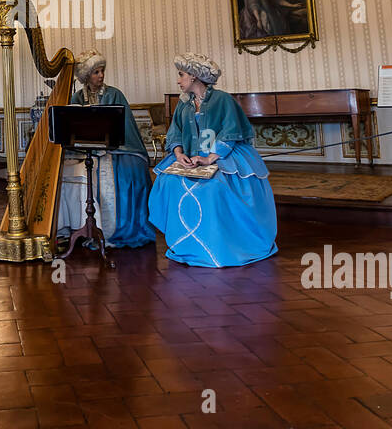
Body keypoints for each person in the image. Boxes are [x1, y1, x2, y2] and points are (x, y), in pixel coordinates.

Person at [149, 53, 278, 267]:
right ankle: (186, 244)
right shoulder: (184, 104)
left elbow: (232, 131)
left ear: (194, 76)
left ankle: (221, 245)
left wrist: (209, 158)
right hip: (190, 158)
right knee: (169, 181)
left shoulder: (223, 100)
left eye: (181, 75)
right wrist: (180, 154)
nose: (178, 80)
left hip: (222, 157)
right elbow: (175, 133)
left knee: (214, 187)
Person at [55, 50, 155, 248]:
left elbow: (126, 126)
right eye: (96, 72)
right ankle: (78, 226)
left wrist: (109, 144)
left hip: (116, 148)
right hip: (87, 150)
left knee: (129, 171)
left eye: (102, 71)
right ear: (86, 76)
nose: (101, 75)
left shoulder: (114, 94)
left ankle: (111, 229)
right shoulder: (76, 97)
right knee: (65, 171)